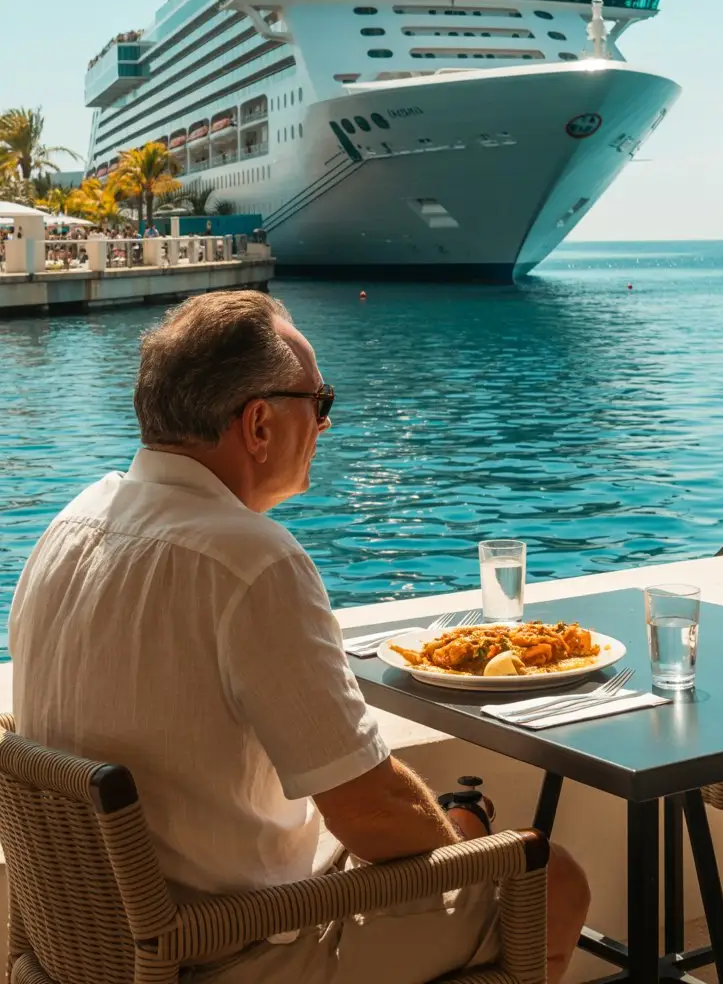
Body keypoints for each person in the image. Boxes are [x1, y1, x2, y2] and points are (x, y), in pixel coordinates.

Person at [9, 293, 589, 984]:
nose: (325, 424)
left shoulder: (68, 527)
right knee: (551, 880)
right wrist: (465, 856)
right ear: (258, 424)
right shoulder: (251, 562)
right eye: (320, 403)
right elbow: (370, 815)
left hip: (93, 941)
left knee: (451, 822)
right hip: (232, 949)